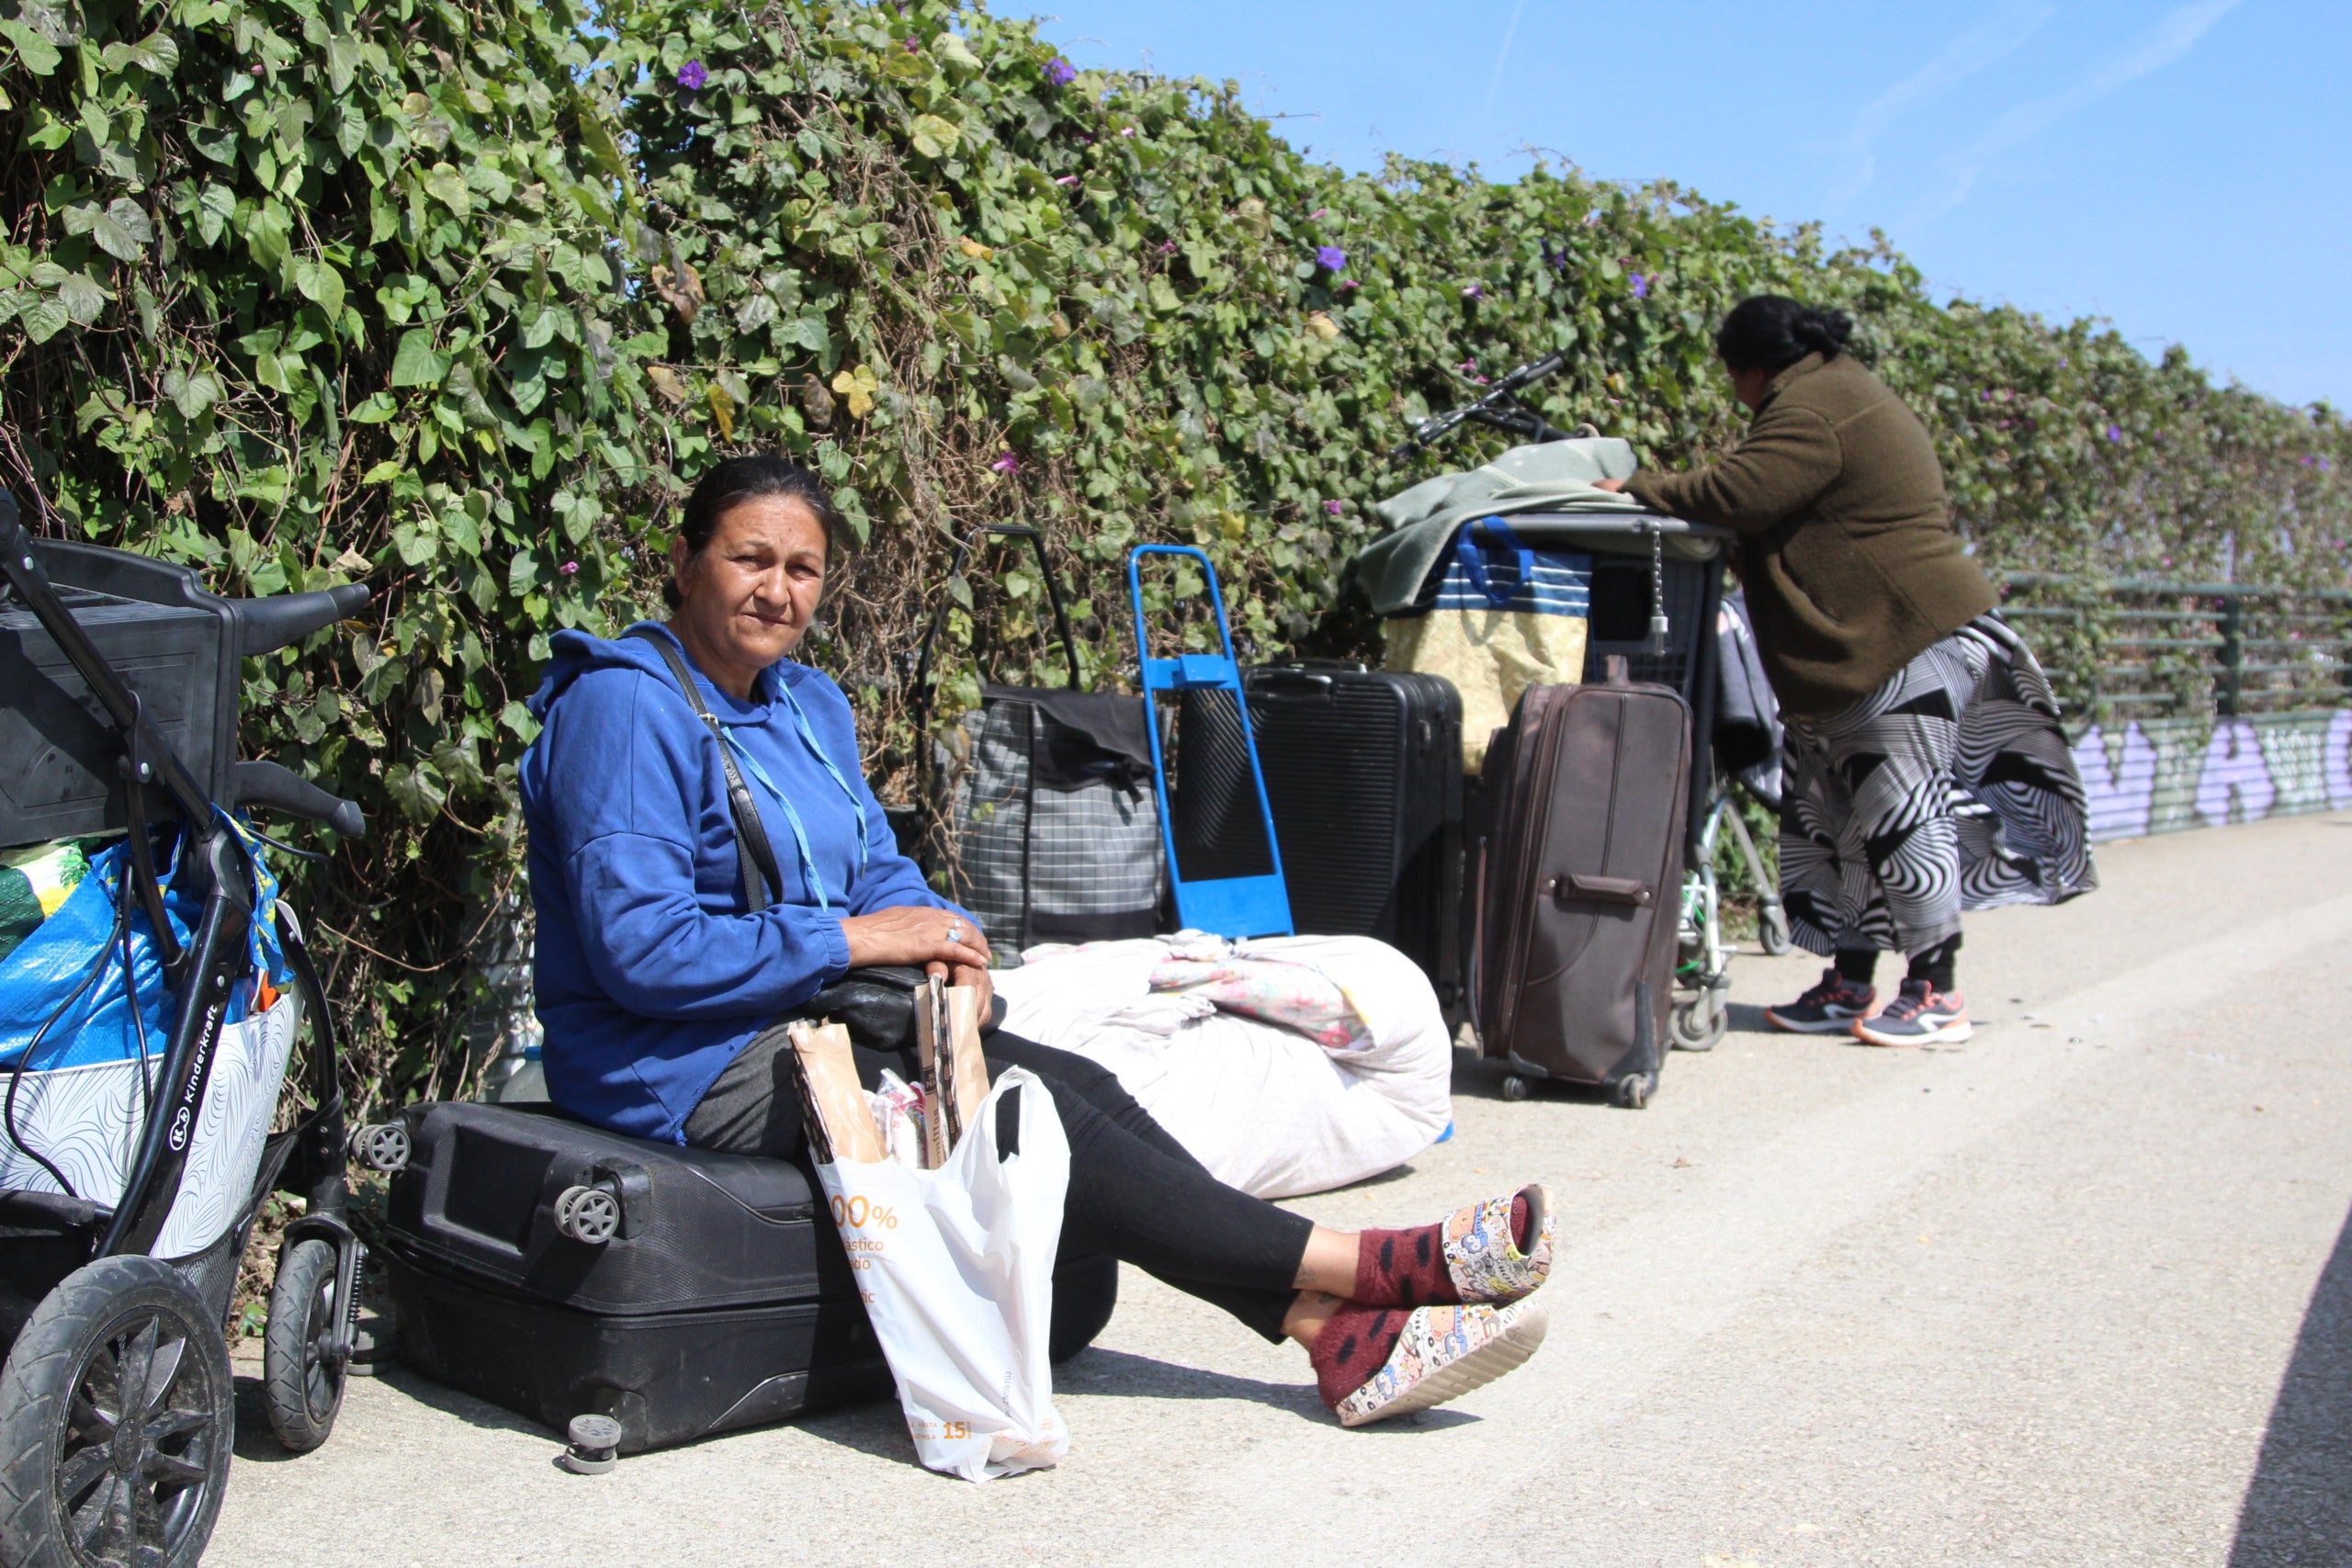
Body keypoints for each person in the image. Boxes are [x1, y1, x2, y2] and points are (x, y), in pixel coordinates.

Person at [518, 454, 1551, 1427]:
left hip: (804, 1018)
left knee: (1072, 1081)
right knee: (1034, 1115)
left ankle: (1330, 1332)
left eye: (802, 569)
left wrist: (945, 951)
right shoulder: (625, 708)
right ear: (686, 559)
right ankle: (1366, 1268)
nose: (776, 591)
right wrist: (853, 941)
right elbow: (643, 950)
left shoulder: (806, 702)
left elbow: (882, 870)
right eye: (749, 558)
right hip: (678, 1064)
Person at [1598, 295, 2095, 1046]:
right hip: (1854, 654)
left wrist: (1636, 486)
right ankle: (1850, 982)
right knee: (1837, 825)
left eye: (1733, 379)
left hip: (1899, 641)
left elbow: (1741, 492)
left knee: (1901, 816)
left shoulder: (1817, 405)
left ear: (1753, 370)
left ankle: (1938, 991)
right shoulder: (1834, 390)